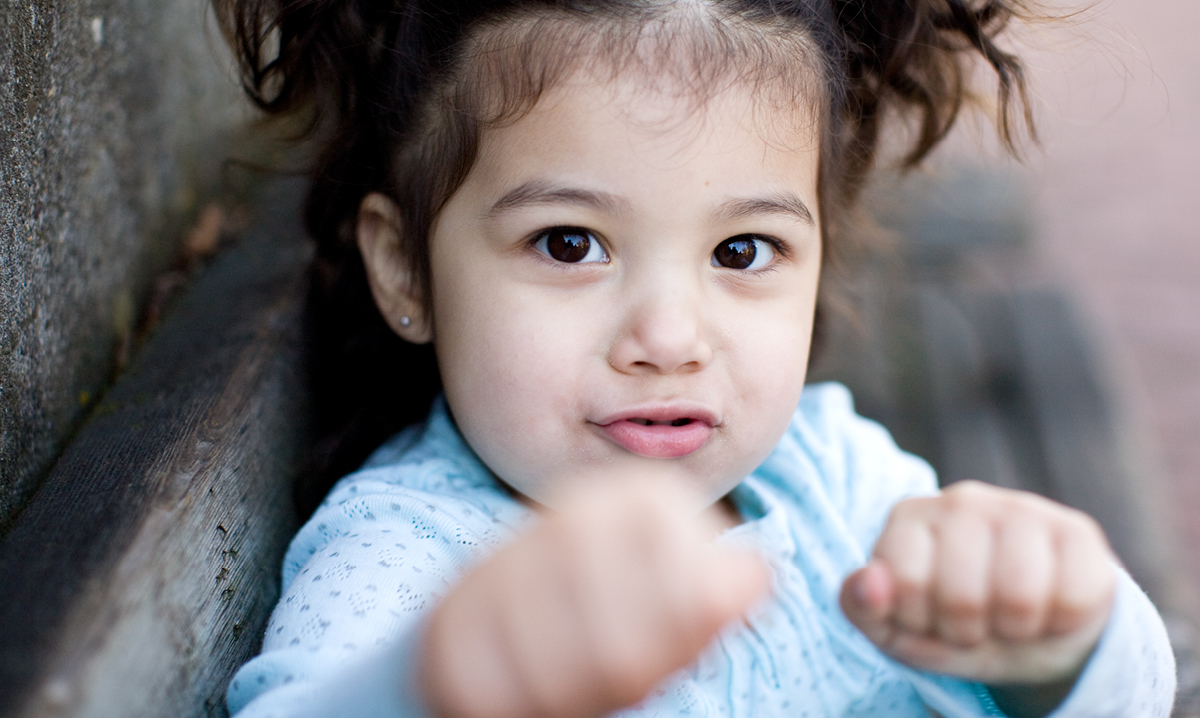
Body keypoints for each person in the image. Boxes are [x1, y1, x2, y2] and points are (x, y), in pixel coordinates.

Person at [213, 1, 1176, 716]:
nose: (670, 340)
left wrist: (1064, 644)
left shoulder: (832, 478)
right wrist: (433, 686)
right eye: (568, 244)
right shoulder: (403, 554)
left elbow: (1121, 698)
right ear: (406, 270)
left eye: (742, 252)